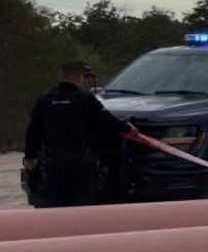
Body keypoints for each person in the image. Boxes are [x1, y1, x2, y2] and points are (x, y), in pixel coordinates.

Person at [23, 61, 137, 208]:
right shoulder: (86, 98)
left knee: (54, 204)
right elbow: (108, 121)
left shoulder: (45, 100)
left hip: (53, 164)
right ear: (80, 77)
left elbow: (33, 132)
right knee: (82, 204)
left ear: (60, 76)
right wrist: (128, 128)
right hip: (81, 163)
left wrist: (30, 156)